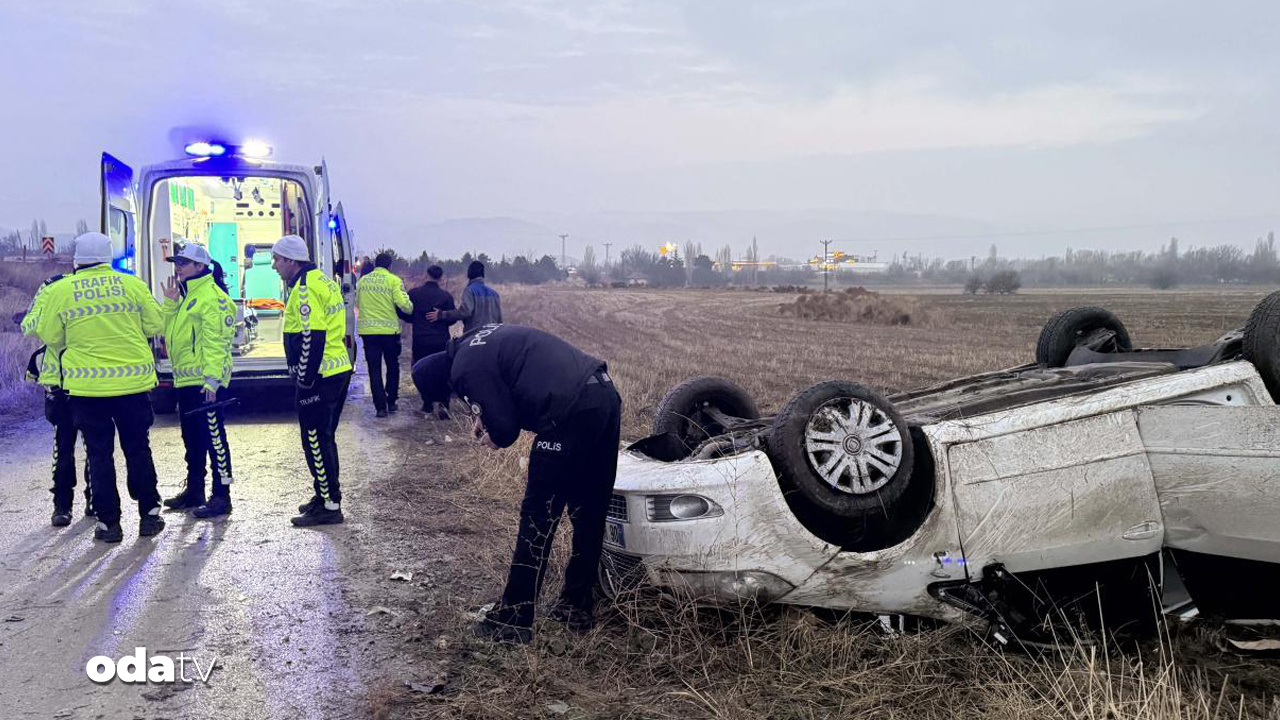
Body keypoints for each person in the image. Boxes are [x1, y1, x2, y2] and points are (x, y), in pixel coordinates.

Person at [413, 323, 622, 644]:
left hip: (568, 411)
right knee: (589, 510)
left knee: (538, 517)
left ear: (445, 384)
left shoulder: (463, 369)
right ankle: (576, 606)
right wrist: (485, 413)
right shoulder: (473, 341)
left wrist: (493, 436)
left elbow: (507, 430)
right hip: (603, 395)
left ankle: (515, 618)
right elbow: (508, 383)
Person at [35, 232, 165, 543]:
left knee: (99, 454)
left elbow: (51, 336)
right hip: (133, 385)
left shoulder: (62, 290)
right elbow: (155, 325)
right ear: (108, 256)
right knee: (138, 448)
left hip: (88, 389)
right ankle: (149, 514)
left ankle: (110, 524)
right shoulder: (132, 285)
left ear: (77, 259)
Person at [271, 234, 353, 527]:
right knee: (323, 436)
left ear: (292, 261)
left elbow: (311, 337)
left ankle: (330, 505)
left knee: (315, 439)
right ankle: (324, 494)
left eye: (277, 259)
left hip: (320, 377)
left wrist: (304, 379)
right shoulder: (322, 281)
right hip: (335, 370)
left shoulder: (304, 289)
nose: (274, 265)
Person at [160, 243, 237, 519]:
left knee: (215, 441)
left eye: (184, 262)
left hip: (206, 384)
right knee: (192, 439)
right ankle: (195, 491)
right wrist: (170, 303)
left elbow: (215, 342)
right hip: (187, 381)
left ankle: (222, 496)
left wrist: (213, 381)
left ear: (200, 267)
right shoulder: (187, 297)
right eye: (176, 262)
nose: (177, 267)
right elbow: (166, 332)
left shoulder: (211, 298)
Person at [19, 272, 93, 526]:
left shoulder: (51, 286)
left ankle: (65, 506)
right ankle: (78, 503)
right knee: (91, 446)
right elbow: (29, 326)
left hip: (71, 382)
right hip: (82, 381)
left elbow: (29, 326)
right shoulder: (59, 287)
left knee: (70, 447)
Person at [355, 252, 412, 417]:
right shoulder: (394, 281)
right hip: (389, 333)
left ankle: (380, 407)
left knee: (374, 369)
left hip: (369, 333)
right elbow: (404, 305)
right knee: (393, 366)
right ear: (389, 266)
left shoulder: (362, 281)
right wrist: (412, 308)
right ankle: (392, 401)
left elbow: (358, 303)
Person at [403, 265, 456, 417]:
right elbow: (451, 318)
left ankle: (427, 405)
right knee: (442, 372)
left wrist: (415, 320)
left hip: (421, 339)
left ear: (426, 275)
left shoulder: (414, 294)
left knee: (422, 371)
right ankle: (444, 404)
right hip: (440, 340)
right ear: (441, 278)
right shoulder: (446, 296)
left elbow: (405, 312)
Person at [428, 260, 501, 334]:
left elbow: (465, 312)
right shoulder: (494, 294)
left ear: (469, 274)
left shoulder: (470, 290)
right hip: (492, 336)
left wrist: (442, 314)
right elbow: (499, 319)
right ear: (482, 274)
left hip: (475, 336)